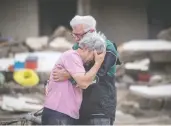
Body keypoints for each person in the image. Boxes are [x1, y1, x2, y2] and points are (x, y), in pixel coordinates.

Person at [52, 15, 119, 125]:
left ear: (91, 31)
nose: (76, 38)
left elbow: (98, 75)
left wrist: (70, 75)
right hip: (77, 109)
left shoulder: (107, 48)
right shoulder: (75, 48)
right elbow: (63, 72)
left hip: (100, 109)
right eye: (74, 34)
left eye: (79, 35)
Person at [42, 32, 106, 125]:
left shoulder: (79, 62)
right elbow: (84, 84)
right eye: (95, 56)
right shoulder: (72, 56)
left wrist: (70, 75)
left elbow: (91, 80)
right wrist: (98, 63)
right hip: (59, 114)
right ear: (88, 49)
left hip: (64, 114)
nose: (94, 59)